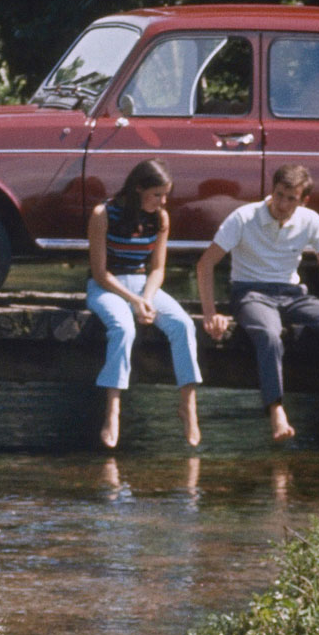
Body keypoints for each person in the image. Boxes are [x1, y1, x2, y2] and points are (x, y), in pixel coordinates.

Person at [196, 164, 319, 442]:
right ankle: (276, 410)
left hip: (292, 294)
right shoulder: (243, 217)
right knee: (270, 334)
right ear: (272, 191)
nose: (282, 204)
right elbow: (205, 265)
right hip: (250, 293)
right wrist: (209, 313)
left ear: (304, 201)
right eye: (279, 195)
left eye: (291, 199)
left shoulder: (310, 220)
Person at [87, 159, 202, 448]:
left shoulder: (160, 218)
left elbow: (158, 270)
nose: (163, 201)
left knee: (183, 325)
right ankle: (113, 409)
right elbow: (100, 273)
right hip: (107, 286)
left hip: (143, 286)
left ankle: (188, 405)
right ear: (138, 188)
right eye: (157, 195)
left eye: (166, 195)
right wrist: (134, 301)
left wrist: (147, 299)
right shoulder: (103, 213)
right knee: (123, 328)